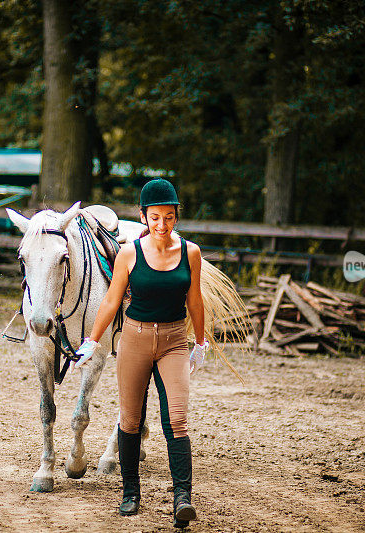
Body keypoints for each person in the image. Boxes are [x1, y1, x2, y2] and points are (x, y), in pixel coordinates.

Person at [74, 178, 209, 528]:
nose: (161, 225)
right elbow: (111, 299)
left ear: (176, 216)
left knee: (176, 419)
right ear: (143, 216)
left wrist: (201, 342)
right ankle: (130, 493)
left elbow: (195, 298)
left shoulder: (191, 252)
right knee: (131, 419)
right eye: (154, 217)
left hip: (175, 341)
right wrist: (92, 339)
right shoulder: (130, 253)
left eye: (168, 217)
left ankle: (183, 499)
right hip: (134, 339)